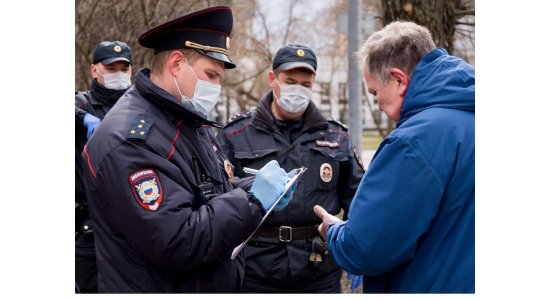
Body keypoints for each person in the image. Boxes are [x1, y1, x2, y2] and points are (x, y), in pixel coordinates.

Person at [81, 6, 295, 293]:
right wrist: (251, 201)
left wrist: (253, 186)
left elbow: (203, 190)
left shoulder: (186, 119)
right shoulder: (132, 139)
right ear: (176, 64)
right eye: (211, 74)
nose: (217, 86)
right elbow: (176, 239)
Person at [314, 21, 475, 293]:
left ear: (399, 80)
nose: (377, 104)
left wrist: (333, 232)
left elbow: (366, 248)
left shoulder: (414, 141)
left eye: (375, 92)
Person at [217, 44, 365, 293]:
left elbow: (360, 200)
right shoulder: (236, 135)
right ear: (272, 79)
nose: (298, 90)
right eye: (290, 81)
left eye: (305, 84)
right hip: (255, 270)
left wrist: (359, 249)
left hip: (318, 271)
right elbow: (219, 202)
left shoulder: (336, 136)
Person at [75, 40, 132, 293]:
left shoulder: (139, 107)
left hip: (131, 225)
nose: (118, 74)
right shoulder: (82, 105)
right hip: (89, 229)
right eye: (111, 68)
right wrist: (81, 118)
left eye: (124, 68)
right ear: (94, 70)